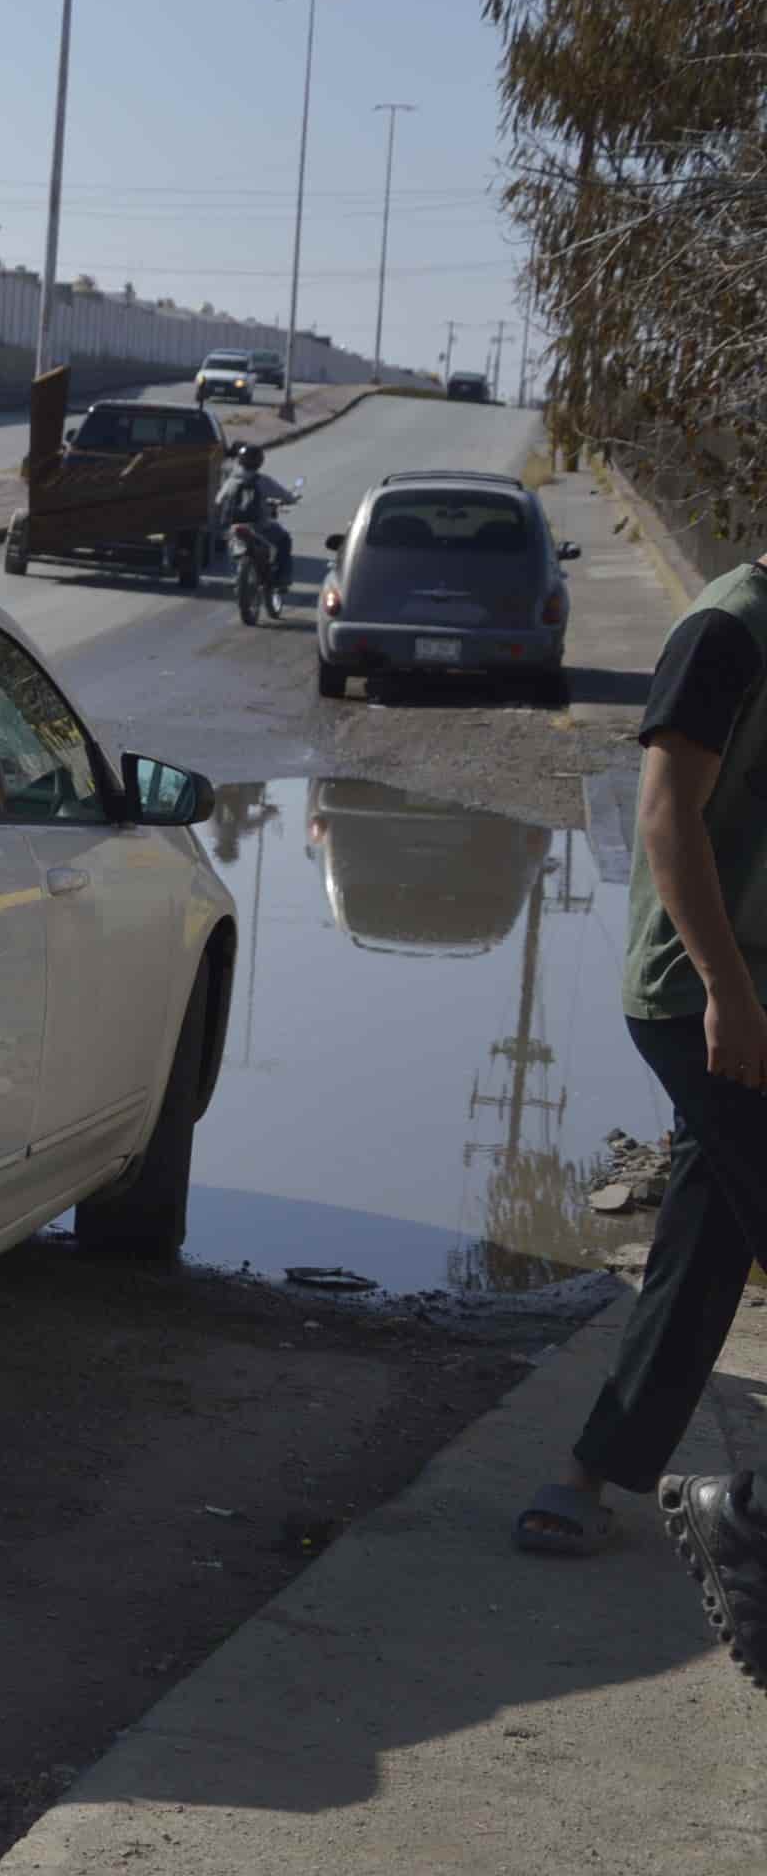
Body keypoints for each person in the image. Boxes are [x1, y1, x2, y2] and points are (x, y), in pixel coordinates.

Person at [513, 550, 767, 1686]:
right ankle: (740, 1520)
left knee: (708, 1235)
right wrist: (724, 987)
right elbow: (666, 815)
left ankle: (592, 1471)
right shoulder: (727, 632)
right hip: (701, 995)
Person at [215, 442, 297, 583]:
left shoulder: (232, 481)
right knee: (284, 540)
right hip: (259, 526)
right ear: (260, 461)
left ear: (240, 461)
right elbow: (285, 496)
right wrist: (291, 499)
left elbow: (218, 500)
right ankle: (283, 577)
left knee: (231, 546)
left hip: (234, 525)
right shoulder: (262, 481)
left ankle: (235, 575)